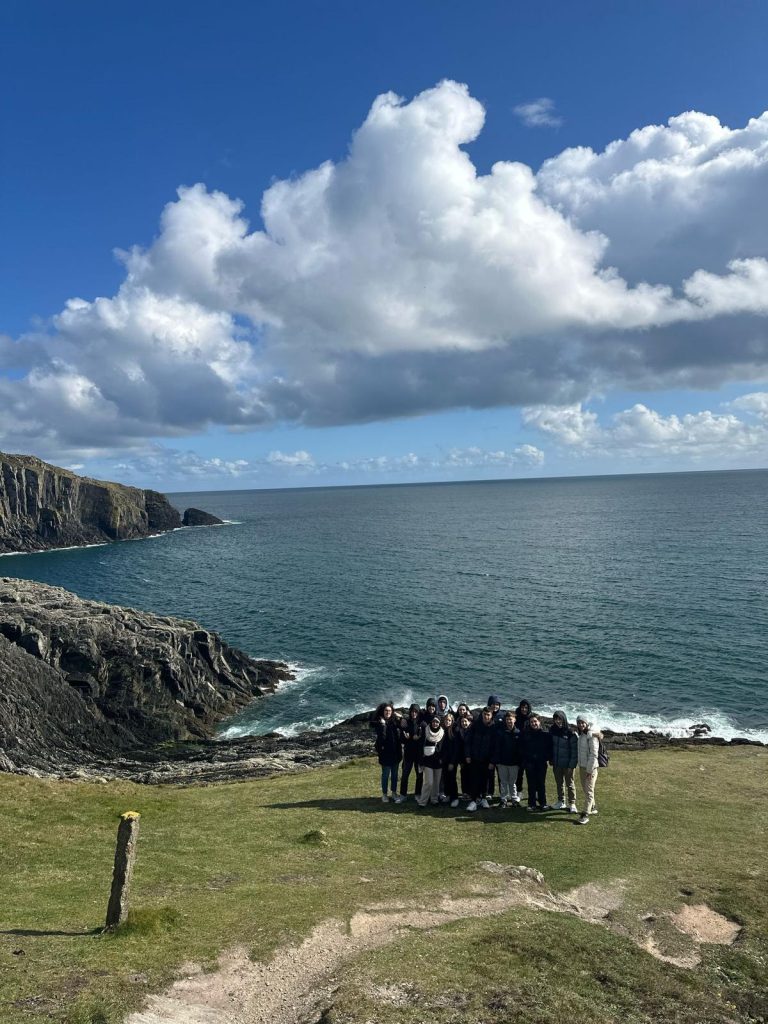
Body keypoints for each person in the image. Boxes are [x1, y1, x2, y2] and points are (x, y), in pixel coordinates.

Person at [465, 706, 496, 811]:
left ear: (491, 716)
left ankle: (483, 799)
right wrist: (468, 755)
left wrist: (492, 761)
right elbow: (468, 741)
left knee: (485, 780)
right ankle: (473, 801)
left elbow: (495, 746)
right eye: (484, 714)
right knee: (474, 779)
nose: (486, 716)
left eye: (488, 715)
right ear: (482, 715)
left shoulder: (493, 727)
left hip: (487, 759)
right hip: (474, 757)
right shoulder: (475, 725)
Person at [373, 702, 403, 803]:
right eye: (386, 710)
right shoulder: (379, 723)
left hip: (396, 753)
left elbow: (405, 724)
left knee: (394, 775)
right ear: (383, 711)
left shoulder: (395, 722)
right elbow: (382, 738)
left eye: (389, 711)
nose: (388, 712)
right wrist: (383, 725)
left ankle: (394, 793)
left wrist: (401, 716)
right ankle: (385, 794)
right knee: (385, 775)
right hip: (385, 754)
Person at [520, 715, 552, 810]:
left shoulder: (545, 734)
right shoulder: (526, 734)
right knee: (531, 784)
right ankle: (531, 803)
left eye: (535, 721)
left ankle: (543, 803)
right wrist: (525, 760)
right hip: (529, 763)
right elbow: (522, 749)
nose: (533, 724)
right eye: (531, 722)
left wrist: (546, 758)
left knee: (541, 783)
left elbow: (549, 749)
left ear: (539, 722)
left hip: (541, 763)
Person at [491, 710, 521, 807]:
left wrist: (519, 762)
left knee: (512, 783)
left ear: (515, 720)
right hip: (502, 762)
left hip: (514, 763)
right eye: (507, 719)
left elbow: (520, 749)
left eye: (511, 719)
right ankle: (503, 799)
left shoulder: (518, 733)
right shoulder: (500, 733)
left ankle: (514, 799)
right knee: (503, 782)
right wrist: (497, 761)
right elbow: (497, 748)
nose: (509, 721)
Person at [549, 711, 578, 811]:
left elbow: (574, 751)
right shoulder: (552, 730)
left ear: (564, 719)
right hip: (557, 763)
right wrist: (551, 760)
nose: (558, 721)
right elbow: (550, 747)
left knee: (570, 784)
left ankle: (572, 803)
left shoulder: (570, 732)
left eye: (560, 719)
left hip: (568, 764)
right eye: (556, 719)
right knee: (559, 783)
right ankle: (561, 801)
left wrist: (572, 765)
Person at [575, 716, 601, 824]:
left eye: (583, 723)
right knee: (586, 790)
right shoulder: (581, 735)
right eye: (579, 723)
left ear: (586, 723)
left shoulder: (591, 736)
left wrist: (589, 770)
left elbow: (594, 755)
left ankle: (585, 814)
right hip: (582, 766)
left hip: (590, 768)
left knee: (589, 790)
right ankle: (593, 807)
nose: (581, 725)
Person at [417, 714, 444, 807]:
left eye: (437, 722)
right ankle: (422, 801)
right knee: (428, 782)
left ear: (439, 723)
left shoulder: (442, 733)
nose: (435, 723)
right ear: (431, 722)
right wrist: (421, 760)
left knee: (436, 782)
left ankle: (434, 799)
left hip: (438, 761)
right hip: (427, 761)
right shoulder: (426, 731)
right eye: (433, 721)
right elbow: (421, 746)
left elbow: (444, 748)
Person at [399, 703, 423, 800]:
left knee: (419, 775)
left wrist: (419, 738)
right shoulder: (406, 722)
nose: (414, 713)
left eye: (416, 712)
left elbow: (423, 738)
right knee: (405, 774)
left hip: (418, 753)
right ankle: (403, 795)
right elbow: (401, 738)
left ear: (418, 712)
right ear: (410, 712)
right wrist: (406, 738)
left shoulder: (421, 723)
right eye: (412, 711)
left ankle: (418, 794)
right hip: (408, 753)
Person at [440, 711, 463, 807]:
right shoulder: (443, 730)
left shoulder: (455, 730)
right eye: (446, 720)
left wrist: (452, 762)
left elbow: (456, 749)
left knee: (452, 779)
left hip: (452, 761)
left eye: (449, 720)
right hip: (444, 760)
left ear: (452, 721)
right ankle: (448, 795)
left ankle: (455, 798)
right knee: (445, 778)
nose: (447, 722)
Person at [514, 700, 533, 795]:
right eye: (522, 707)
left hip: (529, 750)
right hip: (518, 749)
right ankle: (519, 791)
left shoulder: (531, 718)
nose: (524, 709)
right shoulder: (516, 717)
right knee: (519, 773)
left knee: (531, 774)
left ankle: (534, 792)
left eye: (526, 707)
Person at [457, 712, 474, 799]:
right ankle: (465, 792)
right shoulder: (458, 732)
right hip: (462, 758)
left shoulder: (472, 731)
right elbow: (458, 747)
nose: (464, 723)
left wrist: (469, 756)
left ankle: (471, 792)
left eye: (465, 721)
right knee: (463, 775)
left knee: (471, 775)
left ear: (469, 722)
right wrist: (460, 759)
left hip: (471, 758)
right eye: (462, 722)